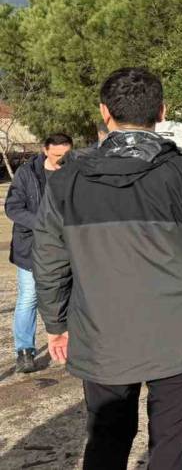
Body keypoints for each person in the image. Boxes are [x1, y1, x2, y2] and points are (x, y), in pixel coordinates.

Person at [32, 68, 182, 470]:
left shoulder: (65, 182)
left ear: (104, 112)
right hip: (181, 334)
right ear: (162, 111)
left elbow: (48, 259)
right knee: (174, 444)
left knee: (106, 438)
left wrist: (55, 323)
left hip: (102, 335)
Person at [4, 133, 73, 373]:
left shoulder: (75, 171)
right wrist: (43, 224)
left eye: (66, 155)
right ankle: (25, 351)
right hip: (31, 248)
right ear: (45, 150)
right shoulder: (27, 174)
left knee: (70, 295)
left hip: (67, 247)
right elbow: (13, 208)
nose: (61, 160)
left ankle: (71, 345)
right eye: (56, 155)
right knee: (29, 297)